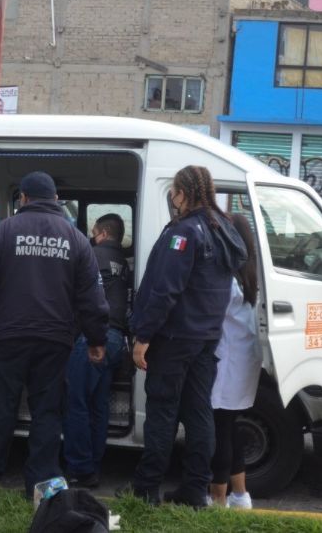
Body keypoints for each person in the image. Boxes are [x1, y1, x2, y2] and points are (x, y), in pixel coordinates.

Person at [0, 171, 109, 498]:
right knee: (47, 414)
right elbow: (92, 297)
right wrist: (96, 339)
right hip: (54, 342)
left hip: (6, 338)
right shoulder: (76, 238)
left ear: (23, 198)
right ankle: (39, 488)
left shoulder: (2, 232)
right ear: (54, 200)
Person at [125, 165, 246, 508]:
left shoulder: (186, 232)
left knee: (162, 412)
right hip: (207, 339)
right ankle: (195, 490)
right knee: (199, 415)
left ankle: (146, 489)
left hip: (175, 339)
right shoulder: (223, 227)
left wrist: (143, 335)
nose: (173, 199)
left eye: (174, 193)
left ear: (183, 192)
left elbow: (165, 289)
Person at [63, 213, 130, 489]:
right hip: (117, 339)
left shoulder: (91, 255)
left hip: (95, 338)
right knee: (98, 404)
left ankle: (80, 468)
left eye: (93, 231)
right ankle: (93, 463)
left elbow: (84, 300)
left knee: (75, 401)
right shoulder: (123, 263)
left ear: (101, 233)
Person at [209, 213, 260, 511]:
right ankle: (240, 495)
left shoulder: (228, 278)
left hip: (226, 363)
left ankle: (218, 498)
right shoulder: (250, 273)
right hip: (242, 361)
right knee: (229, 427)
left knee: (219, 431)